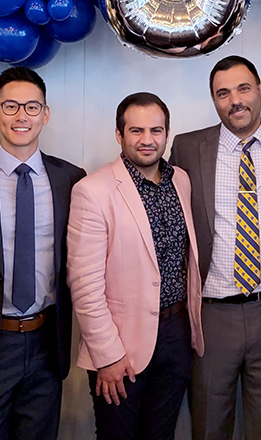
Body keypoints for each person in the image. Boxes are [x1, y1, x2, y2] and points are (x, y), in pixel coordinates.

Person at [168, 55, 261, 440]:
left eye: (243, 88)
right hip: (212, 313)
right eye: (223, 93)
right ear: (214, 100)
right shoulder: (186, 149)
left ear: (260, 90)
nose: (234, 100)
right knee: (208, 424)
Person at [0, 66, 86, 440]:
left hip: (46, 341)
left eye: (31, 107)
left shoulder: (72, 180)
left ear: (45, 114)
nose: (21, 116)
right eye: (10, 106)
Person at [67, 92, 205, 439]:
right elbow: (84, 286)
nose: (147, 140)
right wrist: (107, 355)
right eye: (136, 131)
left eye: (156, 131)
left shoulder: (181, 181)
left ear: (167, 133)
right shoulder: (93, 191)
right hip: (120, 344)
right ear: (119, 135)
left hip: (176, 335)